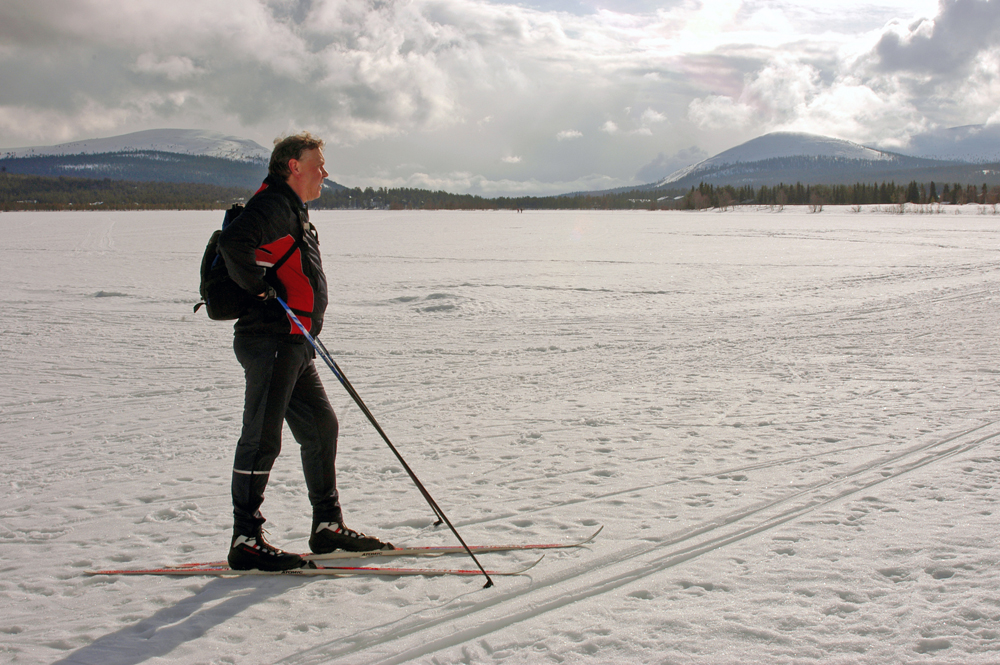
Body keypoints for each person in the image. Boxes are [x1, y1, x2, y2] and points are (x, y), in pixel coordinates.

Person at [217, 132, 392, 571]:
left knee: (320, 428)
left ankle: (327, 526)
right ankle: (245, 538)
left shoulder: (292, 209)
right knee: (261, 437)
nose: (325, 173)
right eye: (318, 165)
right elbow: (233, 245)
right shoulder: (274, 205)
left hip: (295, 342)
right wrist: (260, 291)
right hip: (272, 339)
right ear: (294, 167)